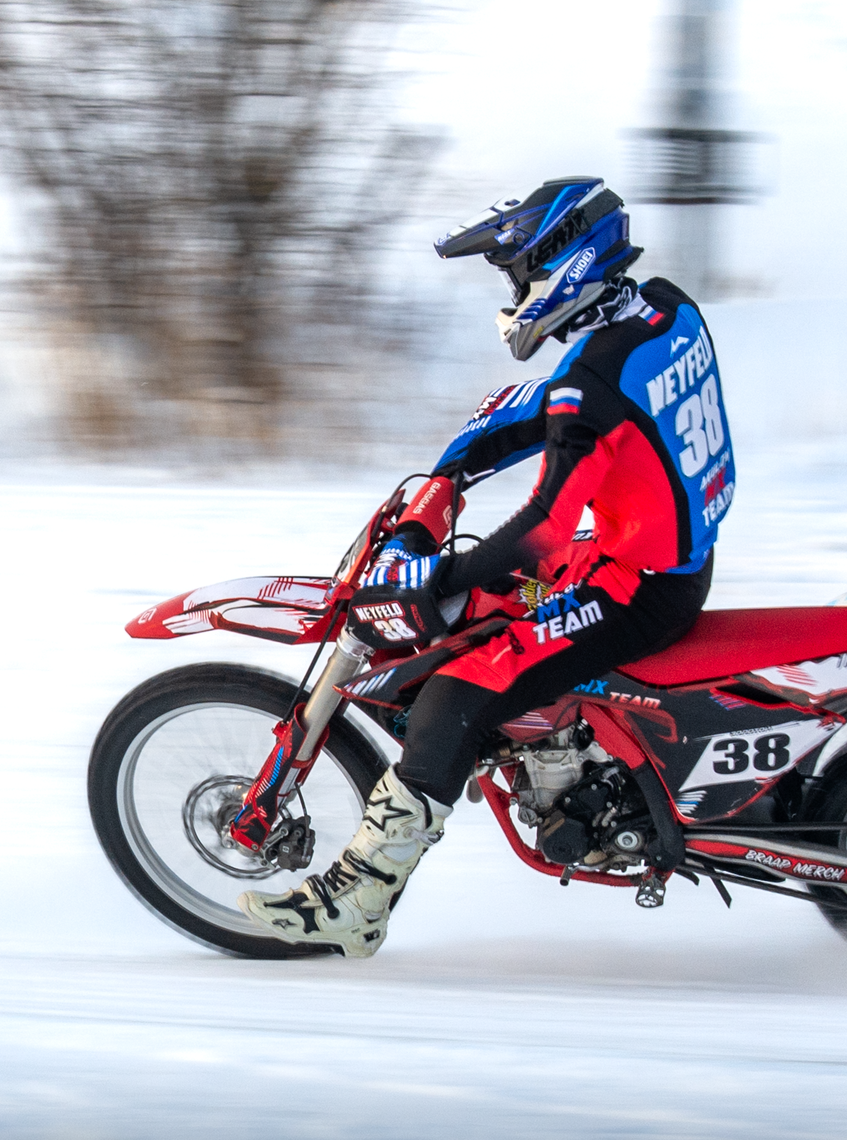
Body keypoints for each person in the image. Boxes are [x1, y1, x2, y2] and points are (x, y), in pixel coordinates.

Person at [240, 176, 735, 957]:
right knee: (495, 604)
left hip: (631, 588)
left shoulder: (590, 385)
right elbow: (556, 411)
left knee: (453, 696)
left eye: (516, 276)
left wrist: (434, 580)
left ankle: (359, 902)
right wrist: (454, 471)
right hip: (661, 554)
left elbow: (542, 528)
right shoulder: (665, 310)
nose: (512, 295)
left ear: (559, 265)